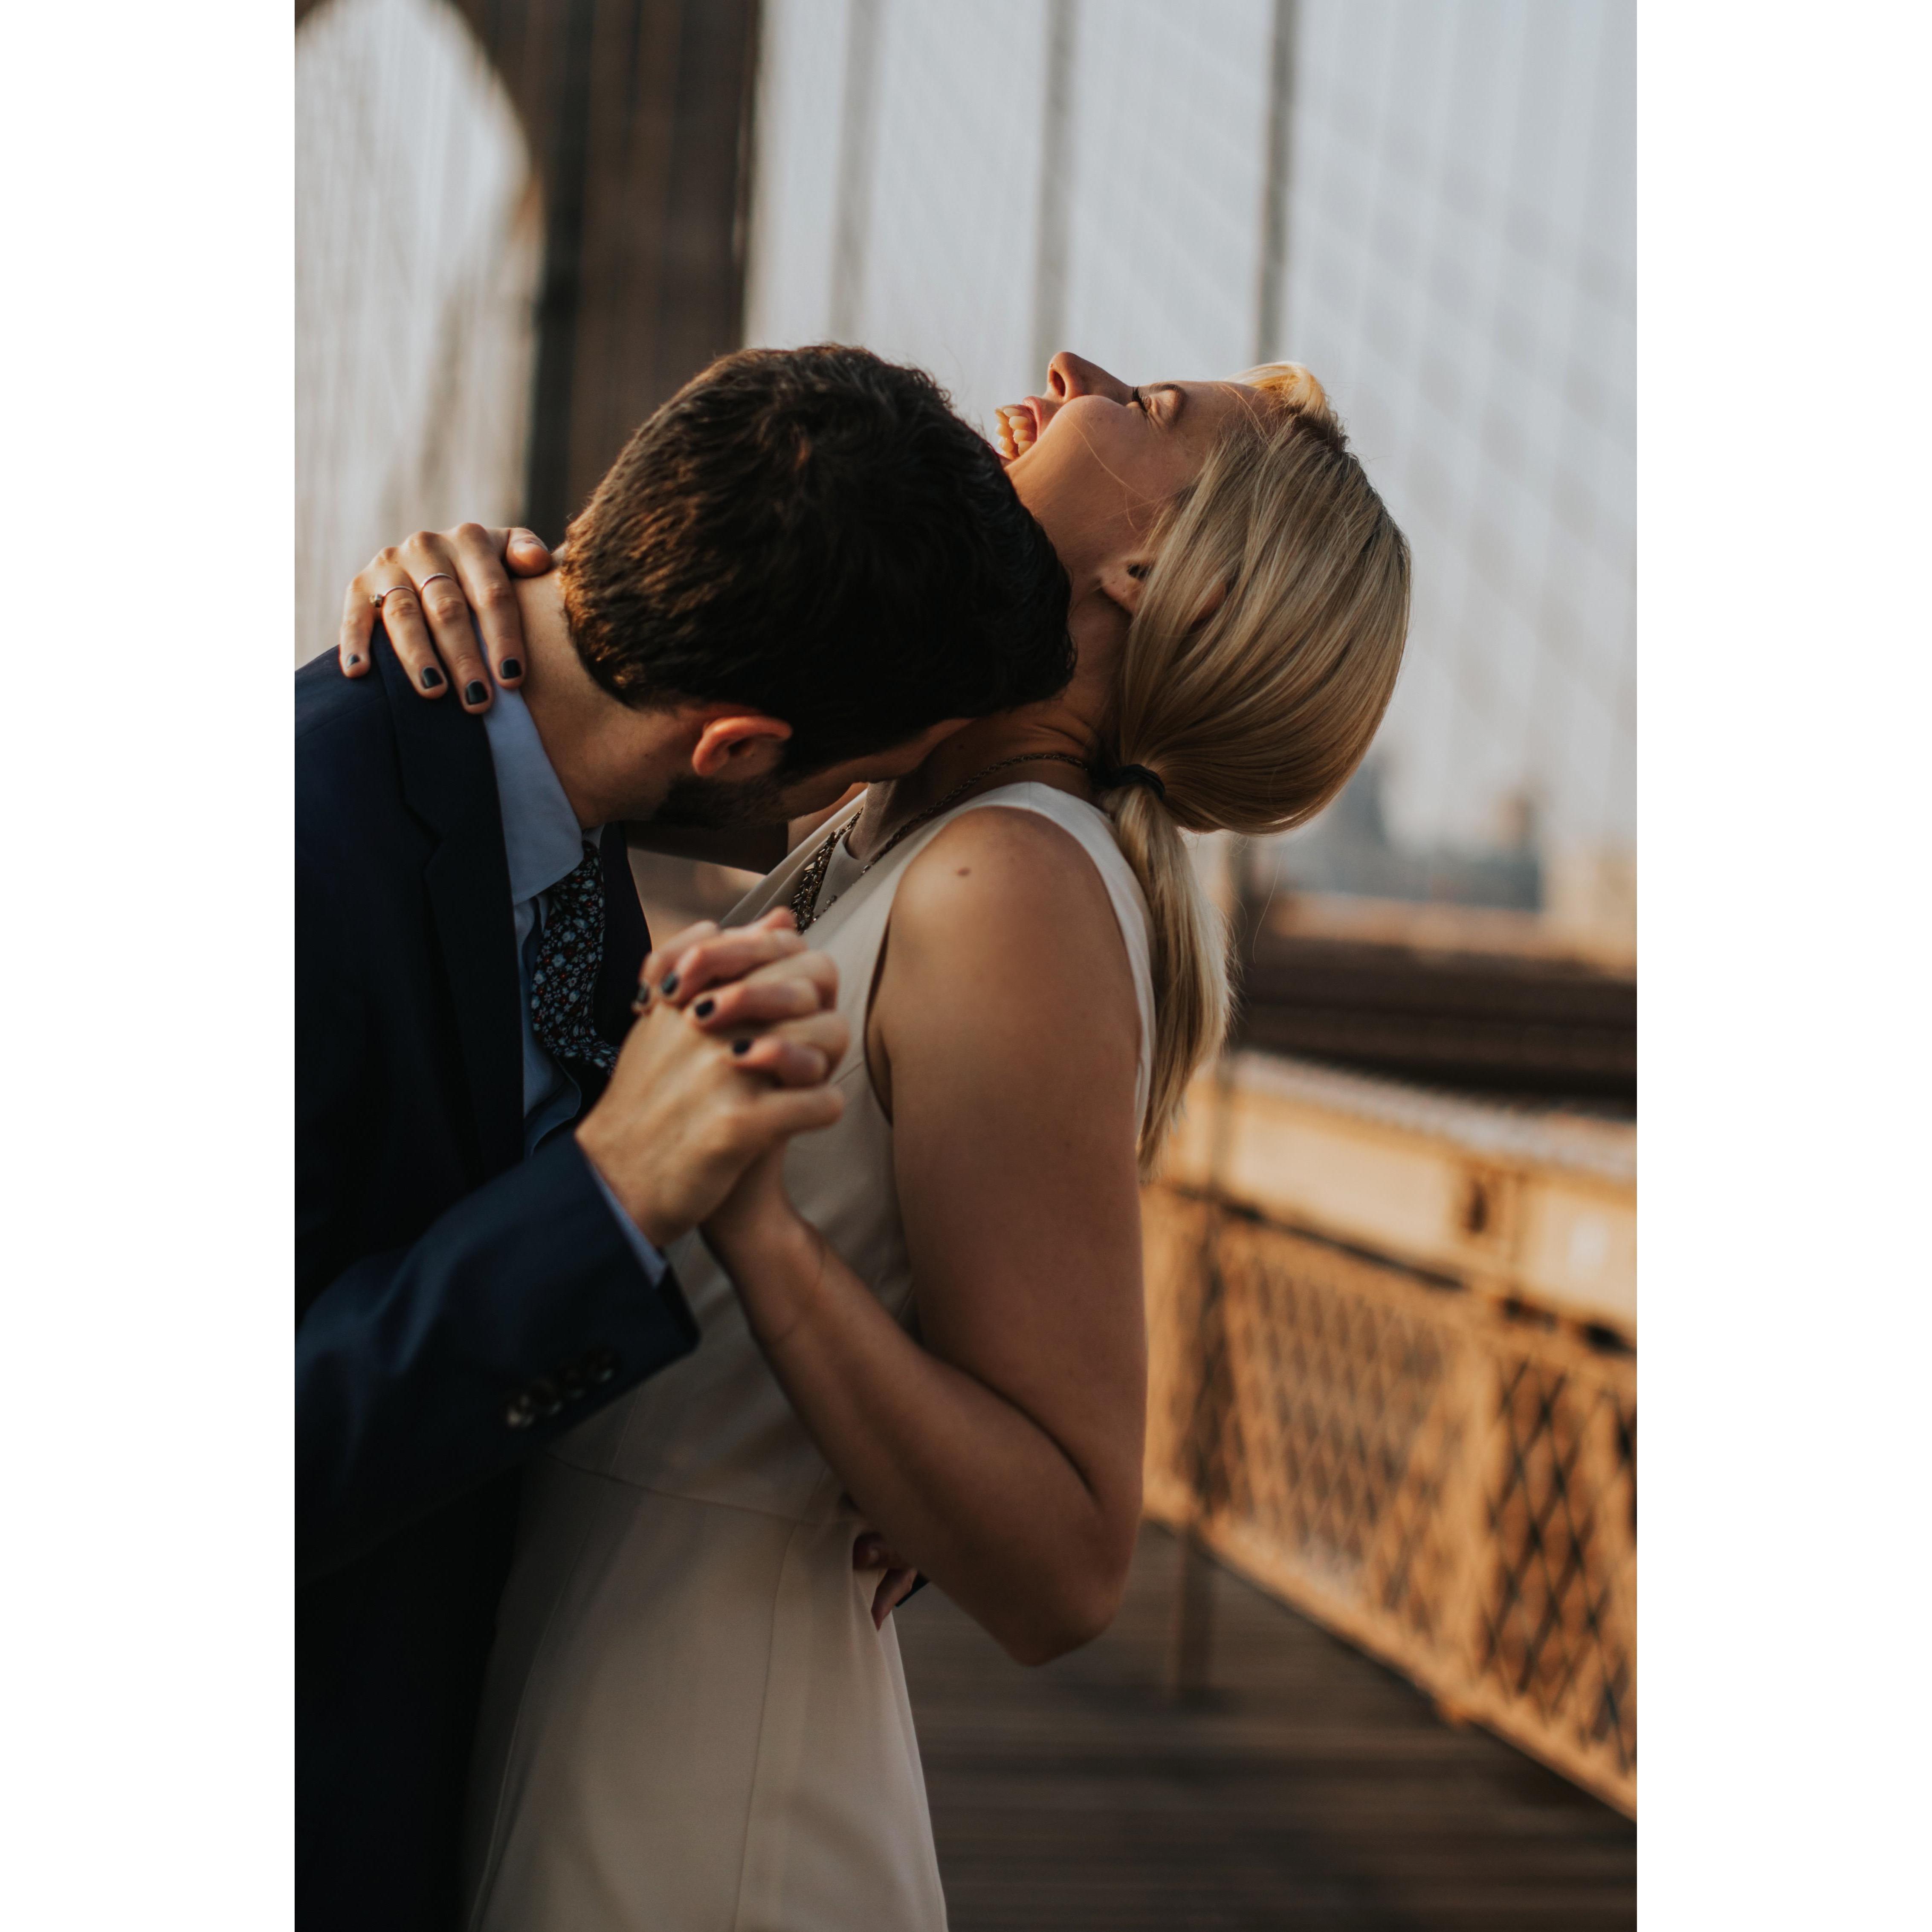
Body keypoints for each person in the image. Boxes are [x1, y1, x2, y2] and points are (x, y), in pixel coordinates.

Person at [347, 350, 1411, 1929]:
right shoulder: (888, 811)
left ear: (1143, 563)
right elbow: (608, 727)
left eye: (1156, 406)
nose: (1074, 370)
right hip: (592, 1681)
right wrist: (467, 587)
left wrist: (765, 1237)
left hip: (705, 1779)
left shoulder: (1010, 887)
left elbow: (1064, 1560)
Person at [297, 345, 1073, 1932]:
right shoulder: (293, 843)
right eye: (855, 785)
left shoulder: (546, 798)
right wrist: (604, 1195)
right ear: (732, 749)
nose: (840, 828)